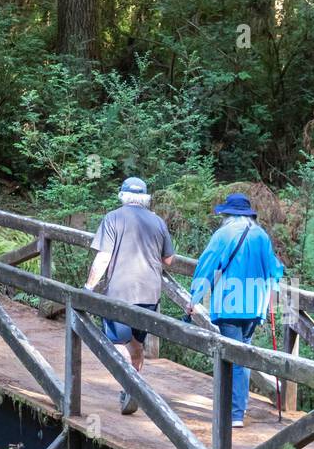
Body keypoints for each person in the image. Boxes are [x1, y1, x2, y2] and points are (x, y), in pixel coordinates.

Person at [187, 193, 285, 428]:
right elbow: (275, 268)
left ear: (228, 215)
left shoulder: (223, 234)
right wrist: (273, 287)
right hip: (254, 305)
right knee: (244, 355)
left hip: (230, 304)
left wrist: (194, 298)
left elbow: (208, 266)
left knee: (233, 358)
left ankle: (234, 413)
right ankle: (236, 410)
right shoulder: (261, 235)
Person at [84, 177, 174, 415]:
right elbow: (169, 260)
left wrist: (88, 287)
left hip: (120, 292)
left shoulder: (113, 218)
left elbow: (104, 256)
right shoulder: (157, 221)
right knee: (136, 342)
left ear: (122, 195)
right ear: (145, 197)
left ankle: (130, 385)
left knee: (115, 342)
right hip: (150, 292)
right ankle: (132, 385)